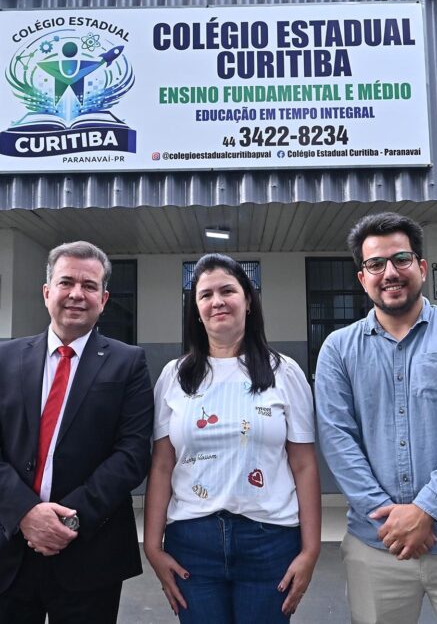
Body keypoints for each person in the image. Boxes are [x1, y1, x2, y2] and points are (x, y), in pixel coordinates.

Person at [314, 213, 437, 624]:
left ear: (421, 268)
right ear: (362, 278)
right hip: (376, 548)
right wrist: (388, 519)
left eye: (401, 259)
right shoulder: (338, 349)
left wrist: (426, 510)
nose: (390, 272)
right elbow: (337, 439)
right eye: (376, 264)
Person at [0, 241, 154, 624]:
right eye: (66, 282)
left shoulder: (128, 363)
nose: (77, 294)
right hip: (6, 548)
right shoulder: (2, 358)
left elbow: (132, 455)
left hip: (89, 553)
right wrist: (27, 514)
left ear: (104, 298)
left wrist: (66, 521)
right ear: (47, 291)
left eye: (89, 285)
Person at [144, 253, 321, 623]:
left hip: (270, 540)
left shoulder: (284, 372)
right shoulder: (174, 377)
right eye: (205, 295)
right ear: (195, 310)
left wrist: (310, 549)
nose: (217, 301)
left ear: (249, 301)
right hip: (193, 543)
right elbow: (162, 465)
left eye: (228, 290)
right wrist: (152, 546)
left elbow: (303, 465)